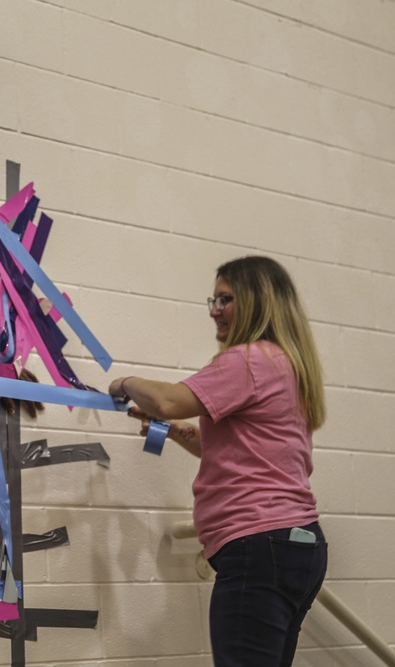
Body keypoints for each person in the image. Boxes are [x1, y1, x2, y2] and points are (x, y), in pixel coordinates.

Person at [108, 256, 328, 667]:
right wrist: (172, 431)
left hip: (259, 544)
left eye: (225, 299)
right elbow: (245, 453)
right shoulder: (287, 364)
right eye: (214, 299)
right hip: (298, 542)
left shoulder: (248, 360)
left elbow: (169, 399)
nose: (214, 309)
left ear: (257, 302)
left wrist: (124, 383)